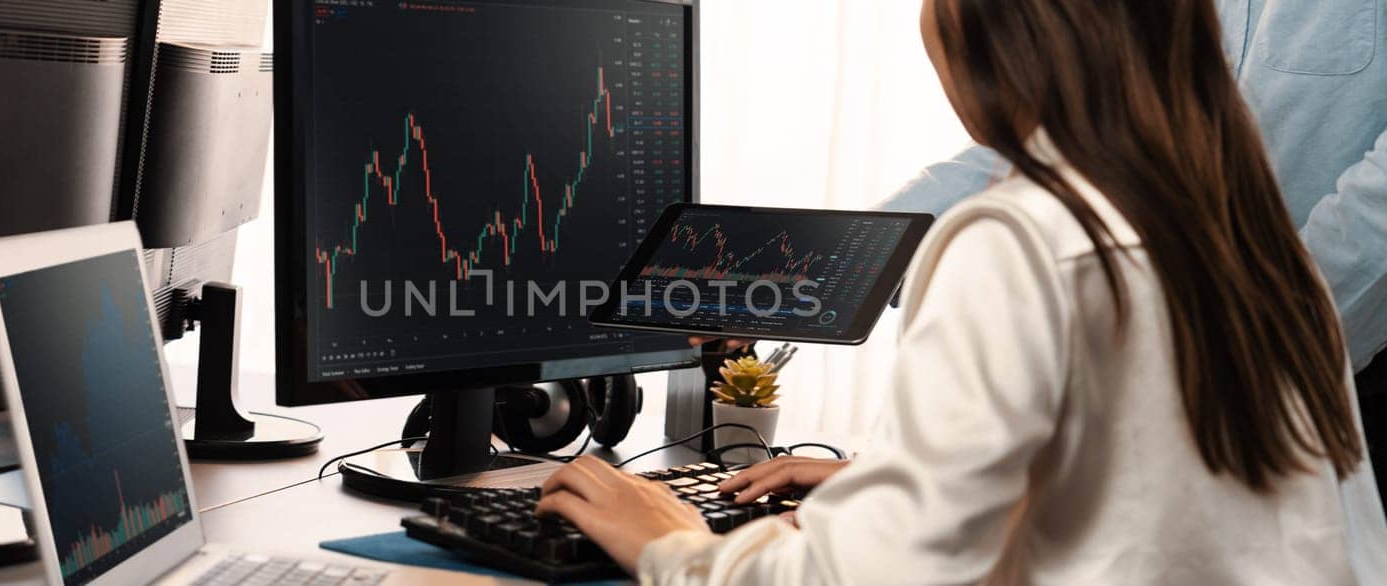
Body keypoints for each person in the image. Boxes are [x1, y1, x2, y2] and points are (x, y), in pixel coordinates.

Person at [535, 0, 1387, 582]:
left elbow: (866, 579)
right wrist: (922, 484)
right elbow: (1172, 512)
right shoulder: (1264, 259)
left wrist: (675, 545)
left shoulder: (1017, 245)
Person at [887, 0, 1387, 498]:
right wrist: (880, 237)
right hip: (1200, 358)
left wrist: (1257, 344)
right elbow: (1081, 124)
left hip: (1330, 363)